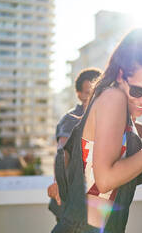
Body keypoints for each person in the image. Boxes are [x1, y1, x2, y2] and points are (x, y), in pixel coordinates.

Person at [51, 28, 142, 233]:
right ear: (121, 75)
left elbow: (107, 168)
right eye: (138, 90)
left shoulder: (117, 104)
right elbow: (105, 181)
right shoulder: (114, 99)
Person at [48, 67, 102, 222]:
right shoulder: (71, 119)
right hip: (70, 195)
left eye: (96, 91)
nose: (92, 96)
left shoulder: (105, 117)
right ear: (78, 94)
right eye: (87, 92)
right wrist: (58, 182)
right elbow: (62, 152)